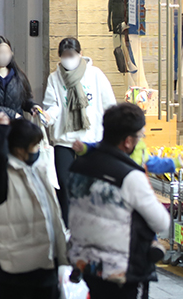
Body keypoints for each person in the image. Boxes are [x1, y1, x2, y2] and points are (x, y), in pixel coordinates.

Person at [68, 103, 171, 299]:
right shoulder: (130, 176)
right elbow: (162, 222)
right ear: (128, 142)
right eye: (140, 136)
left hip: (85, 263)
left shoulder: (78, 165)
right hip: (118, 270)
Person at [0, 113, 67, 298]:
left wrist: (64, 256)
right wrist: (0, 129)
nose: (38, 150)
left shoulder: (37, 170)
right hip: (16, 270)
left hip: (46, 265)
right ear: (18, 149)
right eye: (34, 145)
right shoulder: (0, 178)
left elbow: (54, 217)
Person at [42, 37, 116, 226]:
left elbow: (109, 104)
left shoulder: (95, 75)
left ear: (80, 54)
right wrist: (48, 115)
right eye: (65, 55)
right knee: (64, 185)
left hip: (90, 140)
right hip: (64, 140)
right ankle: (67, 226)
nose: (69, 59)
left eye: (72, 55)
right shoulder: (55, 78)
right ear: (60, 57)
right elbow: (53, 105)